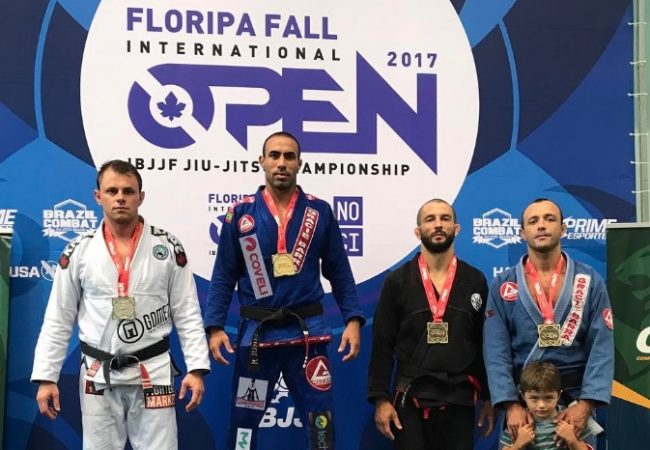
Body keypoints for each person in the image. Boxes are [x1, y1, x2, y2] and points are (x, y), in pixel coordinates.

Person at [31, 160, 210, 449]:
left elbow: (187, 311)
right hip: (97, 371)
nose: (120, 198)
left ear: (141, 196)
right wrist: (46, 376)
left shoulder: (168, 247)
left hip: (154, 369)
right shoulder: (79, 250)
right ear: (97, 196)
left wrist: (197, 367)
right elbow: (58, 318)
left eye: (128, 191)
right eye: (112, 191)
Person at [206, 131, 365, 449]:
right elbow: (223, 275)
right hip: (257, 339)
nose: (281, 163)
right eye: (275, 155)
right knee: (244, 424)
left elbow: (340, 272)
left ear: (299, 163)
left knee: (321, 422)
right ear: (262, 161)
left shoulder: (319, 212)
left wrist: (353, 319)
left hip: (307, 338)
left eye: (289, 156)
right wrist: (214, 326)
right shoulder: (240, 214)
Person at [484, 198, 614, 447]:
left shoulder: (588, 280)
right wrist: (510, 405)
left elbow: (602, 347)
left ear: (563, 229)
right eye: (533, 221)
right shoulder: (503, 284)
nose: (541, 225)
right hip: (525, 405)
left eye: (549, 219)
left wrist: (586, 404)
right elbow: (495, 351)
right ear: (522, 233)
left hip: (574, 402)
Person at [367, 198, 494, 450]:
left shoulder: (474, 280)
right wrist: (380, 398)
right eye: (430, 219)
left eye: (445, 218)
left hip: (460, 398)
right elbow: (382, 344)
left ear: (456, 228)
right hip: (411, 396)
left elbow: (484, 344)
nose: (438, 224)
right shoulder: (398, 281)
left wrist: (490, 397)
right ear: (418, 232)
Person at [500, 361, 596, 450]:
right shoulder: (519, 422)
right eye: (534, 398)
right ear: (523, 396)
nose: (541, 405)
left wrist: (572, 440)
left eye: (548, 397)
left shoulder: (570, 420)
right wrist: (518, 444)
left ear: (559, 395)